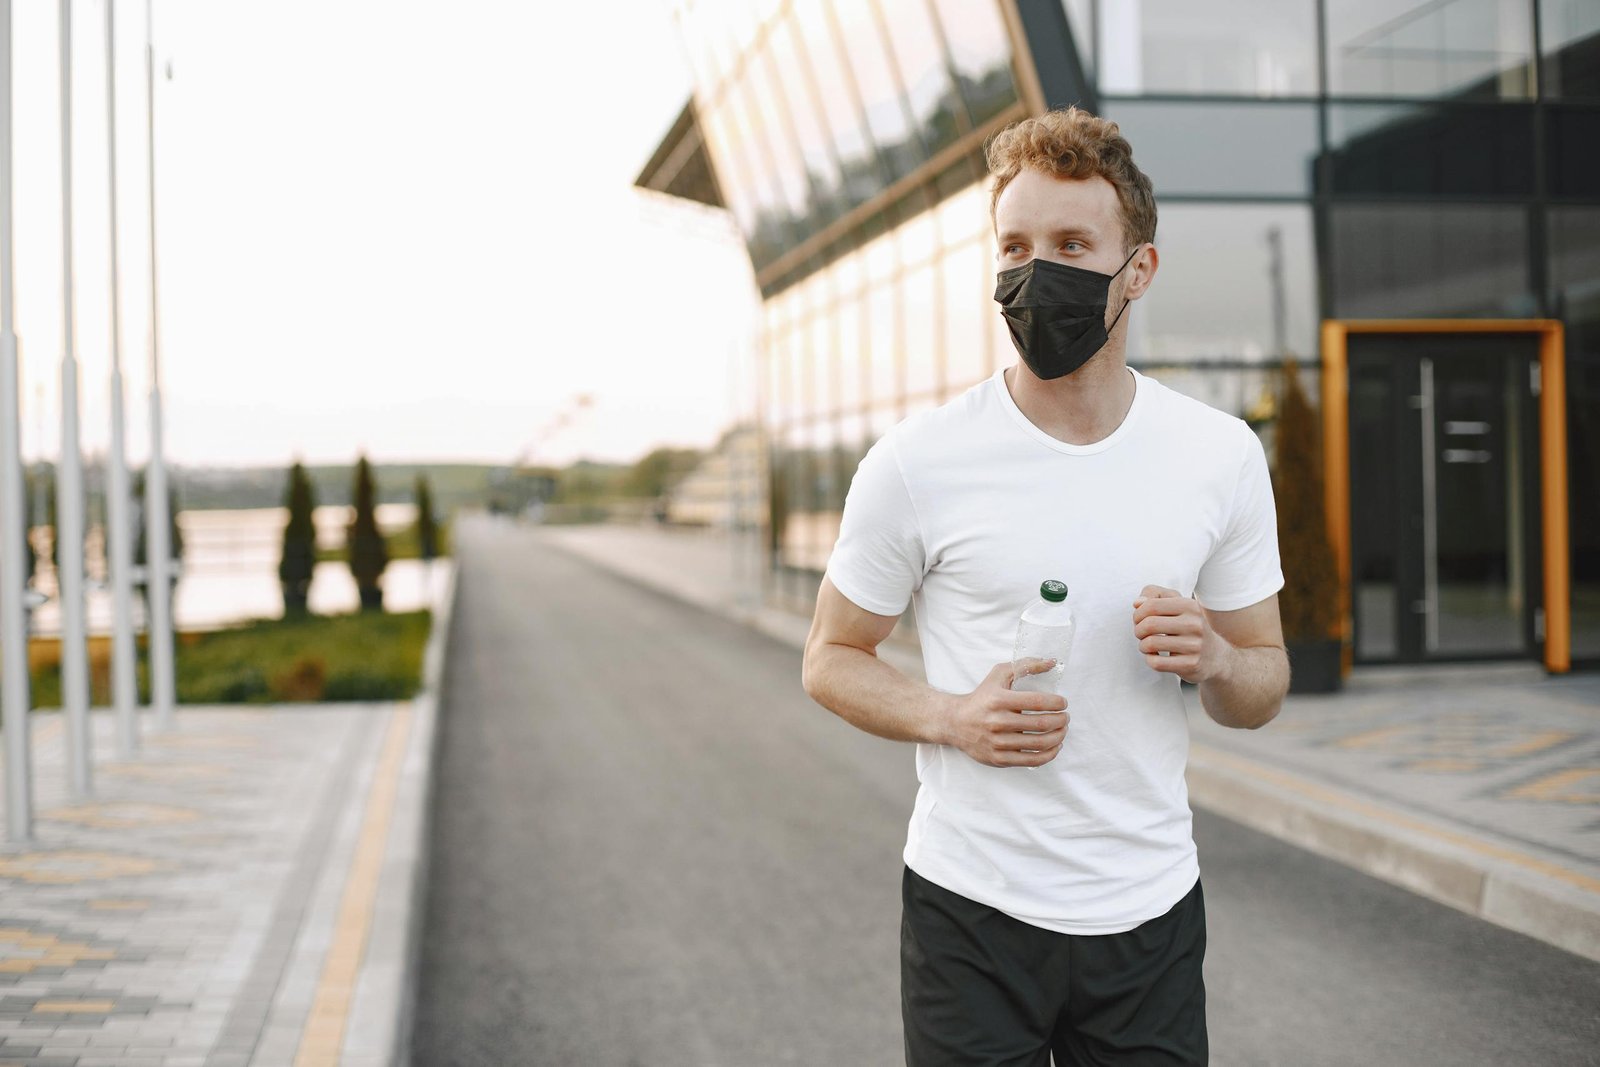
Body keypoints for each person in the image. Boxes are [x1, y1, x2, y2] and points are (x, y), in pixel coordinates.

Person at [800, 107, 1290, 1066]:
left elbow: (1262, 685)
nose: (1037, 271)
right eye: (1015, 245)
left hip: (1147, 912)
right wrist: (950, 718)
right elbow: (829, 656)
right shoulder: (917, 461)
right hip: (970, 915)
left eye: (1071, 244)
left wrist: (1221, 658)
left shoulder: (1218, 455)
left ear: (1137, 269)